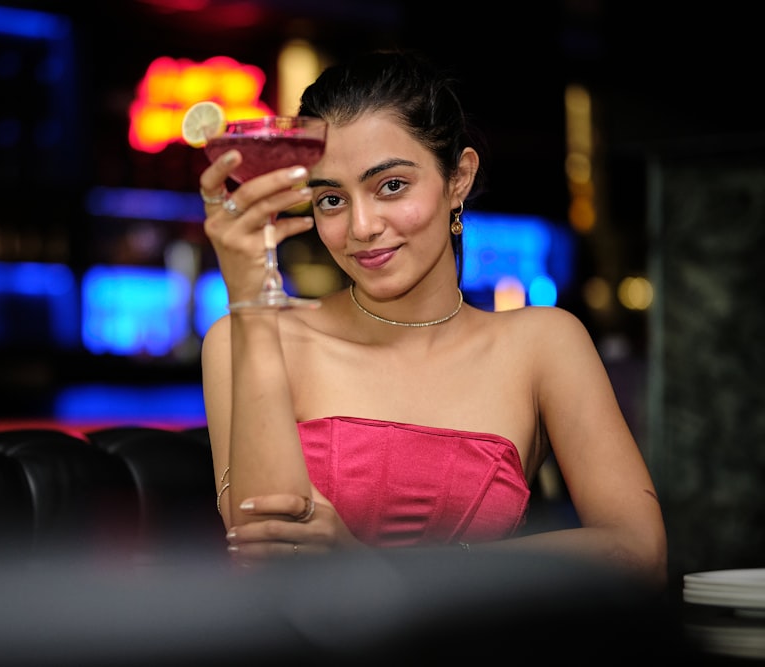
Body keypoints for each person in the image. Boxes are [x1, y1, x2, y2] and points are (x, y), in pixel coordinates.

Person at [196, 49, 667, 588]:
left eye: (391, 186)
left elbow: (639, 551)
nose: (362, 227)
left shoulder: (542, 343)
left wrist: (380, 566)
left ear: (459, 178)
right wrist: (252, 299)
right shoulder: (249, 336)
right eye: (330, 199)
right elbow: (273, 563)